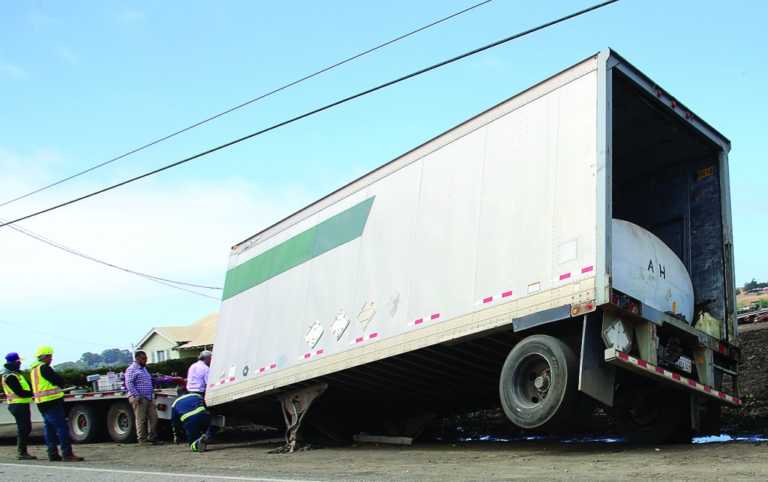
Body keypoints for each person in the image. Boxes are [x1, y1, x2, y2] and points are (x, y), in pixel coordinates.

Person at [30, 346, 84, 462]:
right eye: (50, 356)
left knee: (49, 428)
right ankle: (67, 453)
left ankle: (52, 453)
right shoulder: (44, 368)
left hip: (41, 402)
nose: (51, 359)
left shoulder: (34, 369)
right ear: (45, 357)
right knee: (62, 428)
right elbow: (58, 380)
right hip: (52, 401)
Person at [2, 352, 37, 460]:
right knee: (24, 428)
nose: (20, 363)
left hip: (21, 404)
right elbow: (20, 392)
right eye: (18, 361)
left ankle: (22, 452)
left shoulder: (16, 374)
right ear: (13, 362)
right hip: (17, 405)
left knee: (26, 428)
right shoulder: (10, 376)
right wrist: (34, 394)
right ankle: (22, 452)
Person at [125, 350, 162, 445]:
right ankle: (142, 440)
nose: (145, 360)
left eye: (146, 358)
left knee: (154, 417)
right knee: (141, 419)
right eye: (143, 358)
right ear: (137, 358)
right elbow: (129, 383)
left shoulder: (144, 369)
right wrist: (136, 395)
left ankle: (152, 437)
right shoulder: (131, 369)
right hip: (139, 397)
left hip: (149, 397)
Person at [171, 388, 217, 452]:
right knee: (213, 424)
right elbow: (207, 406)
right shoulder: (196, 395)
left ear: (178, 395)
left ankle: (197, 444)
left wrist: (177, 436)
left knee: (192, 444)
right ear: (187, 392)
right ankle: (207, 435)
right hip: (203, 416)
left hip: (190, 422)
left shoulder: (174, 404)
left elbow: (175, 423)